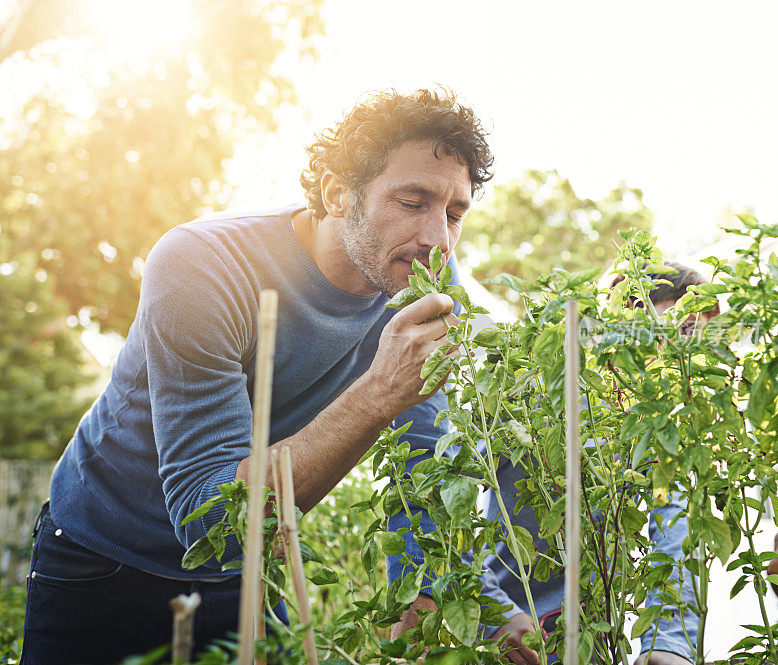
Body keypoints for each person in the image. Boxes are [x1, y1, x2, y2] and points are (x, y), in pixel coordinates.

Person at [21, 88, 493, 664]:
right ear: (338, 192)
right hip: (104, 560)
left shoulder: (426, 287)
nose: (439, 240)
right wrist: (376, 396)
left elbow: (423, 468)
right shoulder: (203, 264)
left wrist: (418, 609)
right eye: (413, 201)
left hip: (251, 569)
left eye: (454, 213)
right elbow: (214, 521)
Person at [481, 262, 720, 665]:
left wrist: (668, 642)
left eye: (699, 337)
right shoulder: (531, 395)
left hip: (595, 638)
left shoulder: (660, 425)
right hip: (514, 638)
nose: (687, 354)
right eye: (680, 328)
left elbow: (673, 525)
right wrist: (495, 615)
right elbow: (445, 516)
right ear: (625, 315)